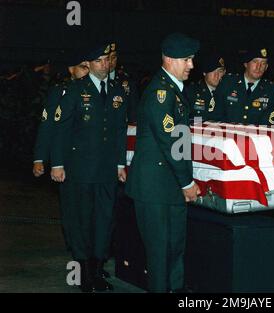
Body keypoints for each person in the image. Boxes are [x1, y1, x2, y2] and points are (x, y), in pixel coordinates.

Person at [125, 32, 201, 293]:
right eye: (187, 60)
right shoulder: (161, 93)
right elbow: (171, 143)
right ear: (169, 59)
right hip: (155, 188)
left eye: (192, 59)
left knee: (174, 250)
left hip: (168, 186)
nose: (191, 65)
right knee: (159, 254)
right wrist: (188, 181)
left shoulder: (175, 92)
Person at [50, 43, 129, 292]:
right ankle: (83, 272)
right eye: (99, 61)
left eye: (107, 60)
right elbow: (61, 130)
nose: (104, 64)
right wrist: (58, 163)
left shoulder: (117, 91)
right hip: (80, 169)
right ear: (90, 64)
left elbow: (119, 131)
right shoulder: (75, 90)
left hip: (106, 170)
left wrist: (120, 163)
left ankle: (97, 270)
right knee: (82, 220)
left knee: (104, 220)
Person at [32, 52, 89, 252]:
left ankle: (93, 257)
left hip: (90, 161)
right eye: (83, 66)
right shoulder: (61, 91)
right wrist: (40, 158)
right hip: (66, 158)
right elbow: (48, 126)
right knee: (73, 210)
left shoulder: (99, 92)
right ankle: (79, 254)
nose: (87, 71)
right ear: (71, 69)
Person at [214, 47, 274, 125]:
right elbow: (215, 115)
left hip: (255, 136)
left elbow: (268, 124)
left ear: (266, 67)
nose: (259, 67)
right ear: (246, 64)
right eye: (255, 62)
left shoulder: (271, 90)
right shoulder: (227, 83)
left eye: (263, 63)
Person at [186, 53, 226, 121]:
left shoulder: (227, 92)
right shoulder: (191, 92)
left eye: (220, 71)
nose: (216, 76)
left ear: (224, 72)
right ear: (204, 73)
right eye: (212, 71)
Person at [108, 42, 139, 123]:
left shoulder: (127, 82)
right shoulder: (93, 81)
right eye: (107, 58)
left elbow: (133, 114)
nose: (110, 62)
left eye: (113, 57)